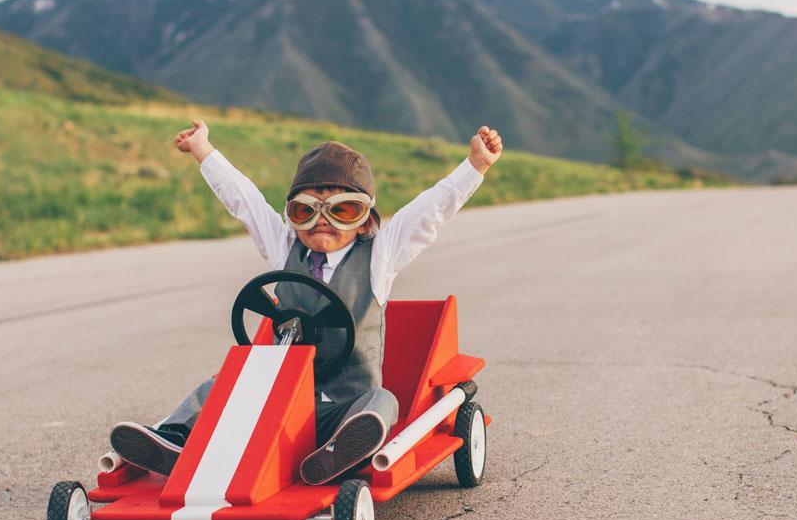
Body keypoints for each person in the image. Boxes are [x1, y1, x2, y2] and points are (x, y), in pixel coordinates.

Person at [111, 119, 503, 485]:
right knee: (220, 384)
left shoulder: (379, 256)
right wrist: (203, 149)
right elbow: (244, 201)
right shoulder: (284, 251)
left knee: (383, 401)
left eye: (341, 210)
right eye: (305, 211)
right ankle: (172, 440)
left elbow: (429, 212)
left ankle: (339, 453)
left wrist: (475, 166)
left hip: (343, 410)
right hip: (283, 405)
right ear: (291, 216)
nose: (321, 220)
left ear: (365, 219)